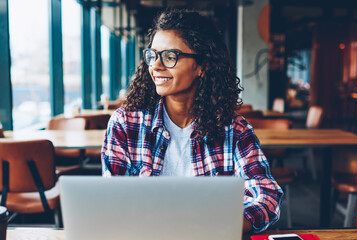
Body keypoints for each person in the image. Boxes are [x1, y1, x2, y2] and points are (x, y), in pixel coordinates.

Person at [101, 8, 283, 233]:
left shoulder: (234, 130)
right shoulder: (126, 124)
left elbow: (267, 195)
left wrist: (217, 225)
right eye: (152, 55)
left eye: (170, 56)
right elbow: (111, 201)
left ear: (202, 66)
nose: (156, 66)